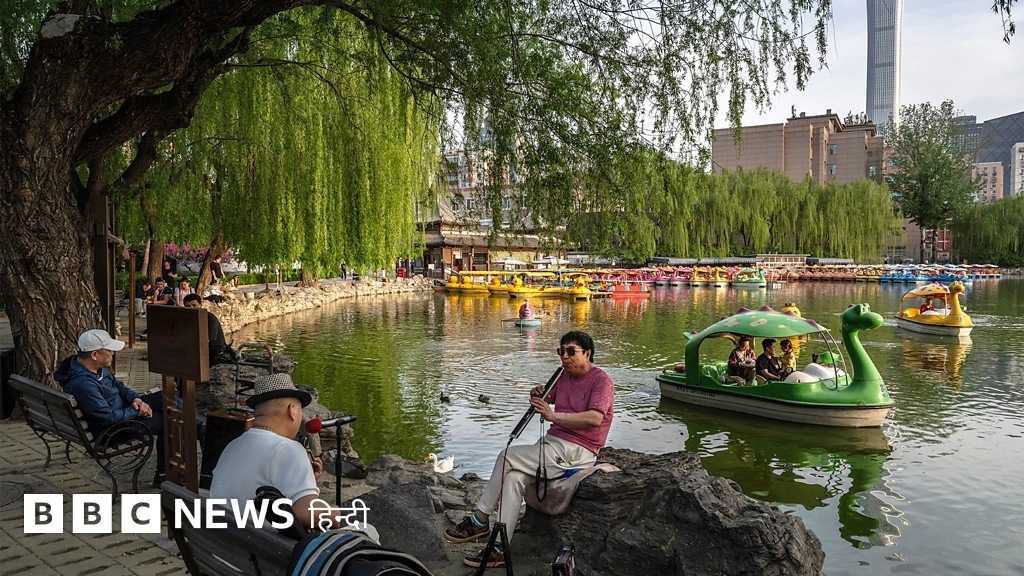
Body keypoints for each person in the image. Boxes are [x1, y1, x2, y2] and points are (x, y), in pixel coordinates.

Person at [445, 331, 614, 569]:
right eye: (561, 352)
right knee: (513, 478)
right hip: (554, 445)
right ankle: (499, 548)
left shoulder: (601, 381)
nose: (564, 357)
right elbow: (548, 396)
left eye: (571, 352)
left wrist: (552, 415)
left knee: (506, 456)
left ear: (587, 353)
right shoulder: (564, 375)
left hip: (578, 449)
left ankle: (479, 519)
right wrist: (538, 394)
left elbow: (595, 418)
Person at [210, 374, 335, 531]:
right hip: (262, 545)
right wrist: (336, 513)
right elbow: (307, 514)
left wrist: (305, 479)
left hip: (221, 542)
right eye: (300, 410)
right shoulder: (289, 449)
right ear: (292, 410)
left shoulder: (233, 446)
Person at [55, 329, 166, 485]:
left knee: (166, 398)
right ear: (94, 355)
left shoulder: (92, 368)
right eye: (109, 350)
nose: (113, 353)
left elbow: (118, 385)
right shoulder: (83, 384)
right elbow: (108, 417)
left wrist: (135, 399)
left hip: (122, 413)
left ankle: (198, 429)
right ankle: (164, 474)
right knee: (168, 420)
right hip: (112, 431)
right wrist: (137, 411)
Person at [183, 293, 234, 364]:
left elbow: (210, 340)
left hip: (215, 352)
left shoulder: (210, 318)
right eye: (188, 306)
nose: (191, 308)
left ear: (200, 305)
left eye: (194, 305)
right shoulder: (187, 318)